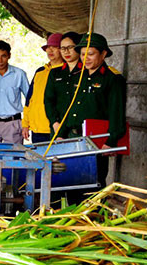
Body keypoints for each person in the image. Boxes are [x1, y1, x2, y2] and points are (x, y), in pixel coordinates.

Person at [72, 33, 126, 190]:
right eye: (83, 54)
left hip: (96, 141)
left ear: (103, 54)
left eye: (91, 54)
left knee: (93, 183)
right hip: (74, 138)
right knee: (72, 183)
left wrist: (111, 141)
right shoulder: (78, 76)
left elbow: (116, 112)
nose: (85, 58)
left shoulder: (112, 78)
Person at [0, 40, 29, 144]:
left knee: (15, 153)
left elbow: (30, 99)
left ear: (9, 55)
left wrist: (26, 124)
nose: (0, 60)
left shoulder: (19, 74)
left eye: (3, 56)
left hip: (13, 123)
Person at [22, 33, 64, 143]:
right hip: (36, 129)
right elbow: (29, 99)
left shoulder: (66, 71)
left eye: (54, 47)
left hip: (54, 128)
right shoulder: (40, 71)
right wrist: (25, 124)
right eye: (48, 47)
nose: (50, 50)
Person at [44, 32, 84, 141]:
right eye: (62, 48)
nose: (66, 51)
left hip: (78, 130)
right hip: (57, 127)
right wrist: (54, 122)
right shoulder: (55, 73)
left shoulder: (86, 72)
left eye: (70, 47)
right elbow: (48, 100)